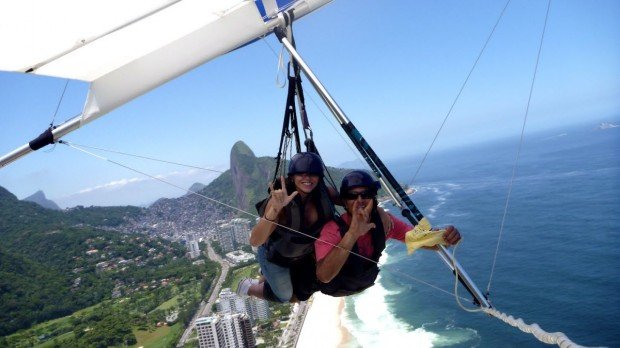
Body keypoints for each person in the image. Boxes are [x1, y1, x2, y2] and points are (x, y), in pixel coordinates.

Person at [315, 170, 461, 297]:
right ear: (345, 202)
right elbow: (324, 276)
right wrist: (352, 234)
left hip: (362, 283)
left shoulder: (384, 223)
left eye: (366, 194)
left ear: (374, 199)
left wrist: (444, 238)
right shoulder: (332, 230)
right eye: (352, 196)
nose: (359, 200)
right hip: (335, 286)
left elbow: (418, 239)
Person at [237, 152, 337, 302]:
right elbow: (255, 241)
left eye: (313, 174)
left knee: (305, 292)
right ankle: (248, 287)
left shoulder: (325, 194)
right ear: (292, 176)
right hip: (275, 256)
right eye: (301, 174)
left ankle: (265, 275)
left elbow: (352, 201)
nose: (307, 178)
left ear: (319, 177)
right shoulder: (279, 201)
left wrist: (378, 209)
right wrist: (276, 208)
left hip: (303, 255)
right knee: (286, 297)